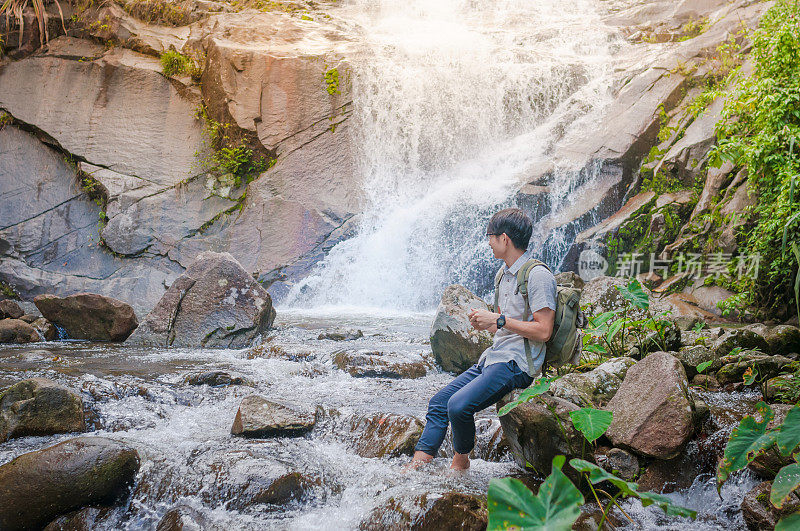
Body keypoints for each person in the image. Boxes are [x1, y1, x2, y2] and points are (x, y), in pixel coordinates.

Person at [407, 208, 557, 472]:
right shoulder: (503, 275)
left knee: (458, 406)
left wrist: (498, 321)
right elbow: (505, 323)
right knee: (439, 403)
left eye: (491, 236)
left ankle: (461, 461)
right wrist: (487, 323)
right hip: (494, 358)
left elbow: (544, 330)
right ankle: (416, 466)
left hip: (518, 364)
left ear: (505, 239)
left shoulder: (538, 276)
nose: (488, 242)